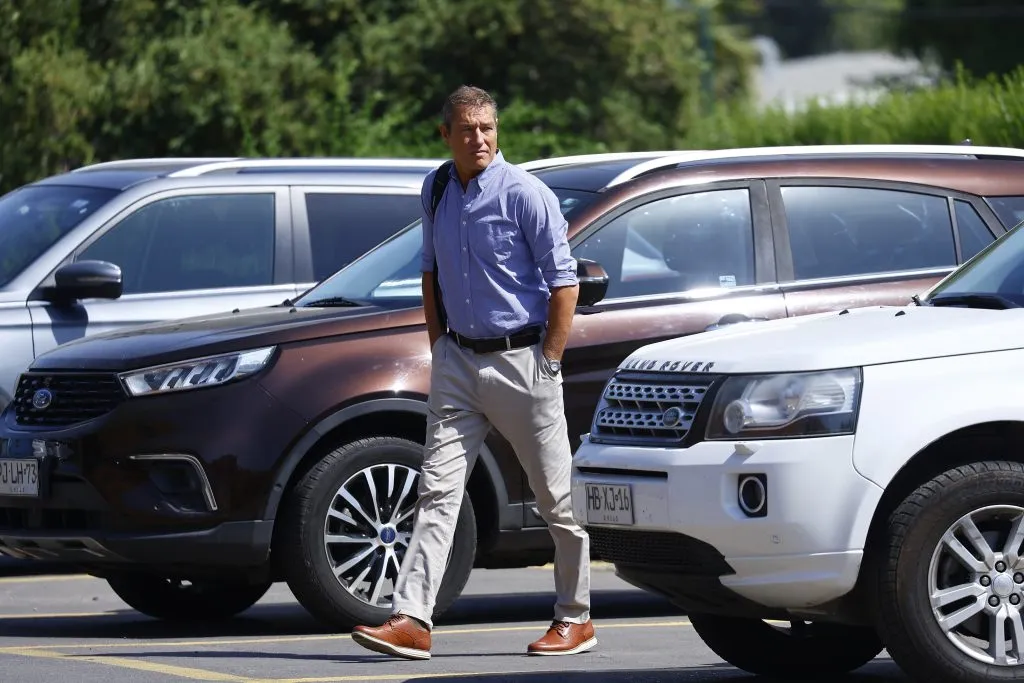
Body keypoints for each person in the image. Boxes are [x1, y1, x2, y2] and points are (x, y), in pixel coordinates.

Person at [350, 84, 594, 661]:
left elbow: (566, 283)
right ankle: (412, 619)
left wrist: (549, 362)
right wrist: (442, 348)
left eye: (487, 127)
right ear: (446, 135)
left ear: (496, 129)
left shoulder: (527, 195)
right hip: (458, 362)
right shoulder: (435, 189)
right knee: (436, 492)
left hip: (522, 363)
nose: (479, 138)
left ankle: (575, 617)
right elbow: (430, 275)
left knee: (556, 500)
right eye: (466, 129)